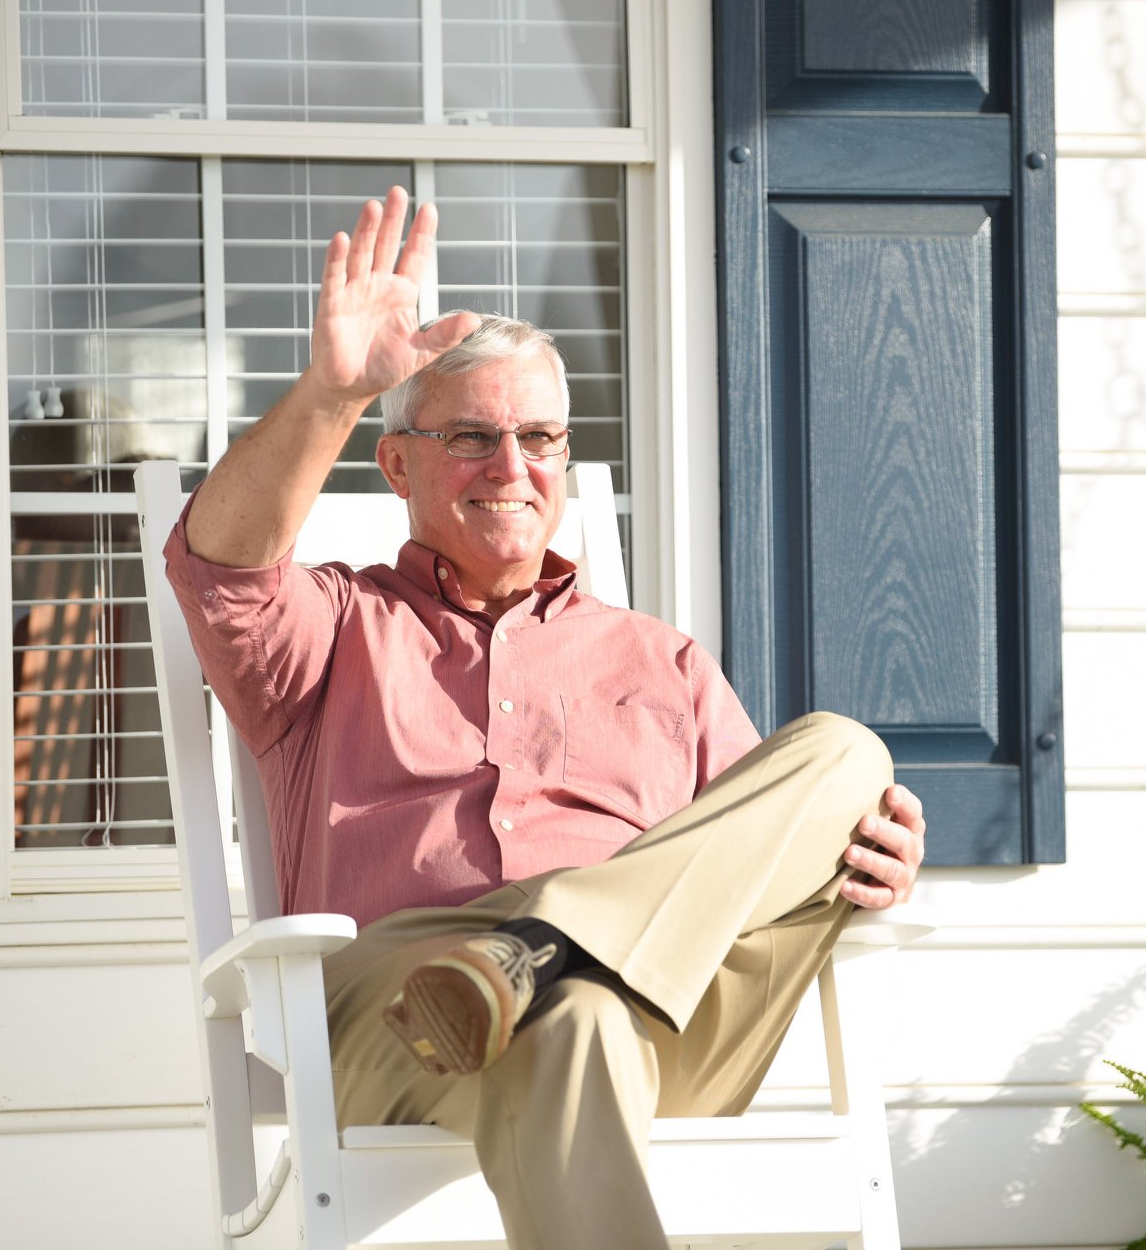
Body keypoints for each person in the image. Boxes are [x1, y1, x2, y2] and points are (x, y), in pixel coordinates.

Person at [165, 186, 926, 1248]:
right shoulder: (333, 627)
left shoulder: (660, 658)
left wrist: (865, 851)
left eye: (538, 436)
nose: (511, 466)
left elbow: (743, 865)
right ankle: (533, 963)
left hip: (667, 1017)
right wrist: (334, 393)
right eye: (472, 436)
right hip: (409, 1007)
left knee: (847, 752)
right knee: (572, 1020)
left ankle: (538, 946)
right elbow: (221, 562)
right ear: (397, 462)